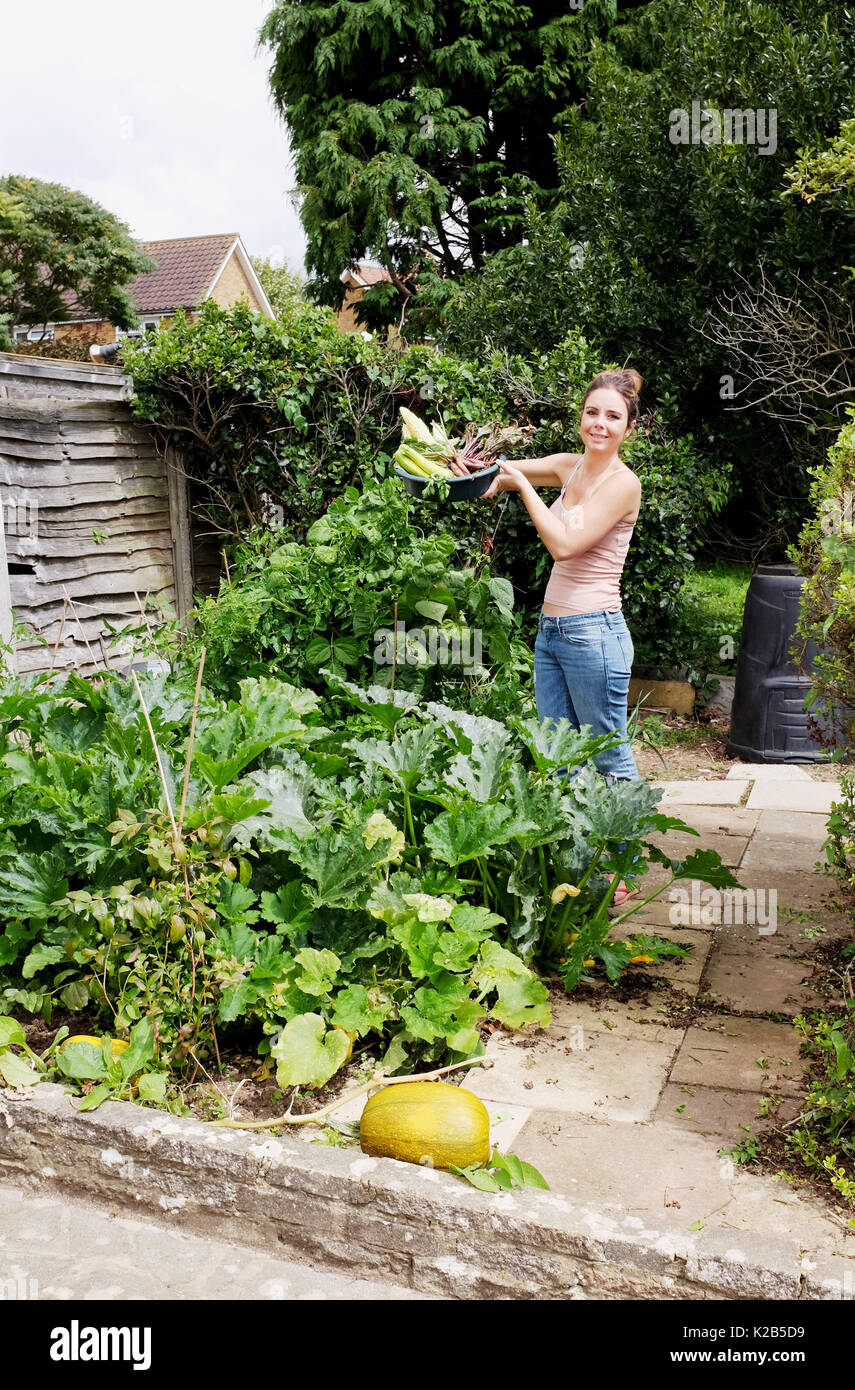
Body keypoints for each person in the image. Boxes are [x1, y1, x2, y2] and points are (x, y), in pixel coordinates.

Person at [482, 368, 643, 901]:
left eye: (613, 416)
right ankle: (582, 867)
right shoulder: (570, 468)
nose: (600, 423)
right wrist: (476, 471)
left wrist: (522, 486)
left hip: (595, 635)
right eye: (592, 412)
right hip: (553, 633)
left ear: (629, 428)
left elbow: (565, 547)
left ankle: (622, 870)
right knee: (561, 755)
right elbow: (502, 469)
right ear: (581, 417)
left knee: (608, 755)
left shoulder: (623, 484)